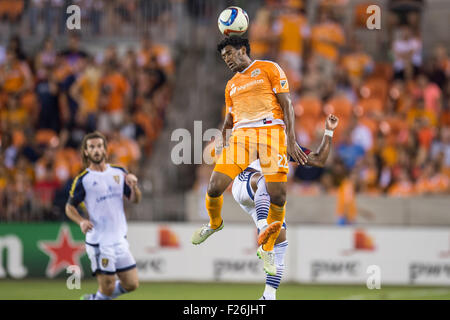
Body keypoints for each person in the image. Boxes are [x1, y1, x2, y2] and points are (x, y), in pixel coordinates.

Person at [191, 36, 309, 276]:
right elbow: (229, 117)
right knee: (214, 186)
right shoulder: (231, 85)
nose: (227, 60)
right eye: (223, 57)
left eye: (230, 54)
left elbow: (287, 105)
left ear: (242, 50)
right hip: (242, 137)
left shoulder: (269, 68)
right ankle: (215, 224)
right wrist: (223, 137)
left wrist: (291, 140)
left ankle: (266, 247)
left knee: (278, 195)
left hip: (271, 132)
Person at [231, 114, 339, 299]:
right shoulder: (255, 138)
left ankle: (268, 296)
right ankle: (264, 229)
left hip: (263, 198)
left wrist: (329, 131)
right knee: (268, 179)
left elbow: (319, 160)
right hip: (245, 183)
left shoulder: (287, 149)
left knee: (281, 243)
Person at [65, 131, 142, 300]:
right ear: (86, 152)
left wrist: (134, 186)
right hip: (99, 241)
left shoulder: (119, 172)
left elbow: (135, 200)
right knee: (107, 285)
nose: (96, 150)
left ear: (105, 150)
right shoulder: (83, 180)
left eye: (99, 146)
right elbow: (69, 208)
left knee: (131, 284)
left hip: (119, 239)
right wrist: (81, 221)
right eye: (92, 147)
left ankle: (94, 299)